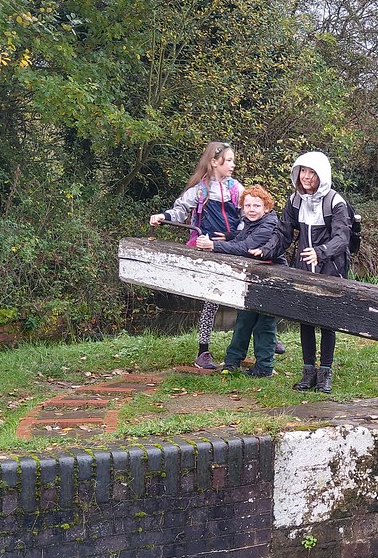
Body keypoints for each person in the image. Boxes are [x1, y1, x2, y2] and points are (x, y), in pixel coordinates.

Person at [250, 151, 351, 394]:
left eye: (311, 172)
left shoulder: (335, 202)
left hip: (331, 267)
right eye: (302, 171)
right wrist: (265, 251)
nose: (306, 177)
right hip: (304, 266)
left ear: (321, 174)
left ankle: (325, 373)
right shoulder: (296, 200)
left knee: (327, 321)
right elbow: (283, 232)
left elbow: (342, 237)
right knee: (305, 318)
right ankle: (308, 373)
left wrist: (321, 251)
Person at [149, 141, 243, 370]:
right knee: (211, 300)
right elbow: (180, 210)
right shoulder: (199, 190)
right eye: (228, 160)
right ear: (214, 162)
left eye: (232, 160)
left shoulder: (236, 189)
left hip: (234, 250)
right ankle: (203, 351)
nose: (232, 165)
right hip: (207, 252)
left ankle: (265, 339)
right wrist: (163, 215)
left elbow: (248, 218)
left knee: (245, 298)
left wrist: (233, 237)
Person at [195, 184, 286, 378]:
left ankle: (264, 368)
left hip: (273, 279)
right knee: (244, 320)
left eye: (257, 206)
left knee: (264, 325)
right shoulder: (249, 222)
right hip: (253, 278)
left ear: (266, 208)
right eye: (248, 206)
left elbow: (246, 246)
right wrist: (229, 236)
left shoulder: (270, 224)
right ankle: (232, 362)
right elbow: (242, 237)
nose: (251, 210)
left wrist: (214, 245)